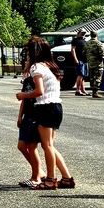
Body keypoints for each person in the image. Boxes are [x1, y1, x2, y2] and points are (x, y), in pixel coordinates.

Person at [16, 37, 75, 190]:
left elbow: (39, 91)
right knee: (50, 145)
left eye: (29, 50)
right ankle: (67, 177)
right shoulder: (51, 66)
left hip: (44, 107)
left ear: (35, 52)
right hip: (56, 107)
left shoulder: (36, 67)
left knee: (46, 145)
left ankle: (50, 179)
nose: (27, 53)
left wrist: (23, 96)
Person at [15, 53, 44, 189]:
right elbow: (23, 99)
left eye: (28, 61)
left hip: (36, 114)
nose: (26, 63)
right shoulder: (27, 81)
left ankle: (36, 177)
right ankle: (39, 170)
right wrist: (20, 116)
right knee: (21, 146)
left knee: (32, 147)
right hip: (27, 115)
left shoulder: (39, 78)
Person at [71, 29, 89, 96]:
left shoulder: (84, 40)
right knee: (80, 74)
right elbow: (73, 49)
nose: (83, 34)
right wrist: (75, 59)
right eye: (82, 33)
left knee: (83, 75)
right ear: (78, 33)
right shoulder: (75, 40)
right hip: (79, 59)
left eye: (84, 33)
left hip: (84, 59)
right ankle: (77, 90)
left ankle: (83, 90)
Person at [86, 30, 104, 99]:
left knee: (92, 77)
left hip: (90, 63)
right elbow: (101, 53)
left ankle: (93, 91)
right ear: (96, 35)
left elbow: (84, 52)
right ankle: (95, 92)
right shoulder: (98, 43)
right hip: (98, 63)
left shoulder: (87, 43)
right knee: (98, 77)